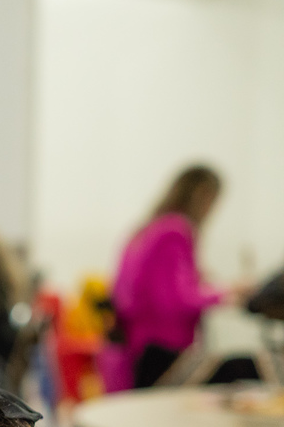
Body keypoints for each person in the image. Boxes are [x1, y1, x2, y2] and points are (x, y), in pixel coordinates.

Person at [99, 164, 234, 391]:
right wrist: (226, 293)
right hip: (160, 350)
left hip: (136, 347)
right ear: (203, 195)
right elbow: (175, 301)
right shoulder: (176, 229)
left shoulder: (148, 228)